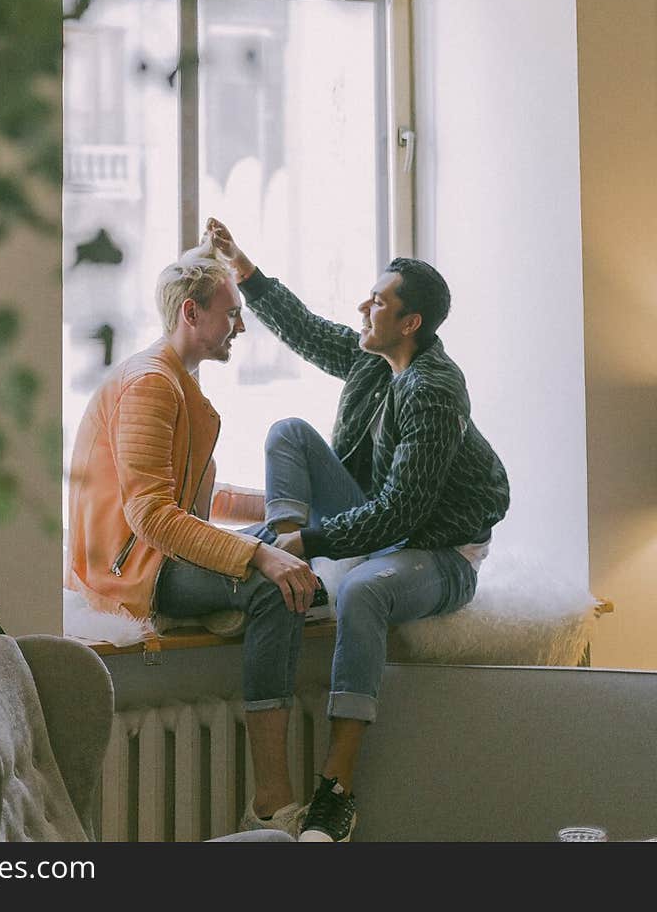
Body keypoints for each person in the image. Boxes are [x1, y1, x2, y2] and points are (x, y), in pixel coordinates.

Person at [204, 217, 511, 842]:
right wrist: (246, 272)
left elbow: (401, 515)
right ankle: (294, 581)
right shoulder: (374, 360)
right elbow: (308, 330)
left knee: (365, 591)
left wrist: (307, 540)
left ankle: (334, 791)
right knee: (288, 430)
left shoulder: (433, 388)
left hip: (441, 549)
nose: (363, 306)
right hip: (385, 521)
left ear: (410, 323)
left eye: (379, 301)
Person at [65, 240, 322, 837]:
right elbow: (153, 515)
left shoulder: (177, 381)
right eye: (231, 312)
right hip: (133, 567)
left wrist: (280, 516)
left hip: (165, 550)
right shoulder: (151, 383)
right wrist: (257, 555)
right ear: (191, 313)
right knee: (270, 587)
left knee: (299, 556)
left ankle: (222, 604)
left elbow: (199, 498)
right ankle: (270, 798)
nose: (241, 325)